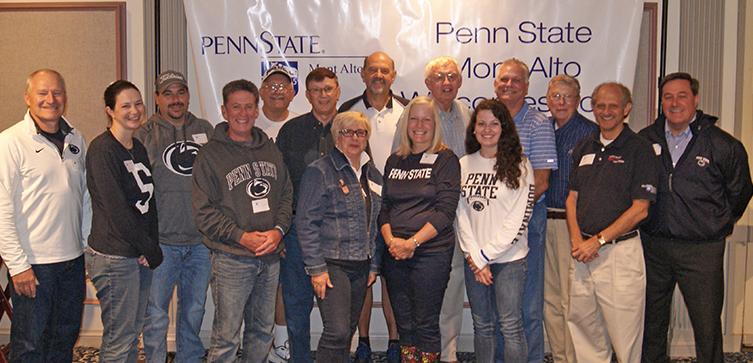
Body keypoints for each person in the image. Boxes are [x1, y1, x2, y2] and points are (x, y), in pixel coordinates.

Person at [638, 72, 752, 363]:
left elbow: (740, 191)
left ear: (696, 99)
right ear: (661, 102)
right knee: (651, 322)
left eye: (682, 95)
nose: (674, 103)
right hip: (653, 246)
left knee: (706, 326)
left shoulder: (722, 144)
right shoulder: (643, 140)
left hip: (702, 250)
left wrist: (717, 224)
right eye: (668, 97)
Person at [191, 79, 293, 363]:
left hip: (269, 256)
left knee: (261, 330)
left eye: (249, 106)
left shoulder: (269, 148)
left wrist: (278, 231)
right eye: (236, 107)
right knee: (226, 336)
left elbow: (286, 194)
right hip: (231, 259)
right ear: (224, 111)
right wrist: (241, 236)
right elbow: (205, 213)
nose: (243, 113)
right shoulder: (209, 155)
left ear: (257, 109)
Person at [0, 69, 89, 363]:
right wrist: (17, 266)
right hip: (33, 266)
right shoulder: (10, 142)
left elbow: (83, 198)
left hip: (72, 263)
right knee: (29, 347)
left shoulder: (77, 138)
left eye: (57, 92)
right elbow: (2, 209)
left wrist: (86, 248)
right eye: (42, 92)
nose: (50, 99)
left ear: (65, 97)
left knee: (64, 340)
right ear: (28, 97)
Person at [565, 82, 658, 363]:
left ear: (626, 109)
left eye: (613, 106)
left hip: (619, 253)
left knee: (625, 337)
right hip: (583, 253)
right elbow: (571, 199)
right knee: (585, 332)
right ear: (592, 108)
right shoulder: (585, 144)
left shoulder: (640, 149)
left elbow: (640, 209)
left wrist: (599, 240)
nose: (605, 111)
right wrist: (577, 242)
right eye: (600, 105)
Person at [389, 56, 470, 363]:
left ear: (460, 82)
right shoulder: (414, 115)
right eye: (438, 77)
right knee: (415, 306)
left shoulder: (468, 114)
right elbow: (400, 163)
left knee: (450, 293)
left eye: (451, 76)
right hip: (421, 224)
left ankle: (446, 353)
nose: (446, 82)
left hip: (461, 215)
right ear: (427, 83)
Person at [136, 70, 214, 363]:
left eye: (180, 92)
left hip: (200, 243)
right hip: (161, 244)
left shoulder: (206, 130)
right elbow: (135, 194)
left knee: (194, 310)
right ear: (156, 99)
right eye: (167, 93)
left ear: (188, 96)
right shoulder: (143, 135)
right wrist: (144, 242)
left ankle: (189, 359)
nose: (175, 99)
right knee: (155, 312)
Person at [86, 80, 163, 363]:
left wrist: (149, 245)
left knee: (131, 334)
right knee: (119, 339)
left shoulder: (137, 147)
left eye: (138, 103)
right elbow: (117, 211)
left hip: (136, 253)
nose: (134, 111)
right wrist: (148, 247)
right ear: (110, 110)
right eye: (126, 106)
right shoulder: (102, 150)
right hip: (114, 257)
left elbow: (149, 202)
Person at [297, 111, 383, 363]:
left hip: (361, 265)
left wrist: (374, 265)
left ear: (366, 138)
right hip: (331, 265)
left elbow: (376, 224)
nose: (354, 137)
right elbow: (305, 222)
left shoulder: (373, 175)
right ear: (336, 138)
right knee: (337, 332)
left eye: (360, 132)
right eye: (347, 132)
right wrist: (316, 269)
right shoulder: (320, 171)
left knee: (348, 332)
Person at [380, 96, 461, 363]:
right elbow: (385, 208)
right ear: (406, 124)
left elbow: (445, 212)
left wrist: (411, 243)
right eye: (414, 118)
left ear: (435, 123)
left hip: (430, 253)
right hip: (394, 253)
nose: (420, 124)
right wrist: (392, 241)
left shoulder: (446, 159)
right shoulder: (395, 160)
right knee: (404, 323)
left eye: (427, 119)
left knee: (425, 322)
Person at [339, 51, 407, 363]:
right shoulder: (348, 109)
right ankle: (363, 341)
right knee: (364, 275)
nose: (378, 75)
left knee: (392, 277)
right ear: (363, 74)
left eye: (385, 70)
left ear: (393, 76)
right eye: (372, 70)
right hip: (359, 208)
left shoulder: (407, 111)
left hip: (398, 208)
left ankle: (395, 342)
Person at [456, 99, 535, 363]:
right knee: (482, 326)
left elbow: (518, 220)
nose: (487, 129)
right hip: (474, 259)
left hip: (509, 261)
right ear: (473, 129)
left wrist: (484, 256)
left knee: (510, 327)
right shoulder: (463, 164)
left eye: (494, 123)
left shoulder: (521, 165)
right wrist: (475, 256)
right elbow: (461, 214)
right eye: (481, 123)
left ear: (505, 128)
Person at [494, 58, 557, 363]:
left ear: (527, 87)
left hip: (528, 224)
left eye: (515, 80)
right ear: (495, 85)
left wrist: (513, 220)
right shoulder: (488, 120)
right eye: (504, 80)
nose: (509, 85)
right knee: (497, 304)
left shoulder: (538, 123)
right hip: (490, 226)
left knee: (528, 304)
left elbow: (542, 182)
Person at [276, 67, 340, 363]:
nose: (323, 95)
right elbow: (280, 184)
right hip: (298, 235)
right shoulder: (291, 130)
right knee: (297, 307)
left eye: (328, 89)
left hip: (339, 235)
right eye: (317, 90)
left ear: (337, 91)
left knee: (338, 314)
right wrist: (282, 229)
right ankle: (299, 359)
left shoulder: (350, 127)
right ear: (307, 94)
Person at [543, 74, 598, 363]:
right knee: (550, 300)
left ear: (578, 100)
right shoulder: (543, 129)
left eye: (567, 97)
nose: (561, 103)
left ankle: (576, 359)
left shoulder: (591, 134)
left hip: (572, 225)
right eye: (555, 97)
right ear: (547, 99)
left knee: (571, 299)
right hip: (542, 222)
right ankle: (561, 357)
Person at [258, 64, 299, 363]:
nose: (277, 90)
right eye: (271, 85)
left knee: (283, 286)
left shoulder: (299, 126)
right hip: (249, 223)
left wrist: (283, 226)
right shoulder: (247, 122)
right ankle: (254, 345)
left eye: (283, 86)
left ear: (293, 92)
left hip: (285, 223)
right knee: (249, 288)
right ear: (261, 92)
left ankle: (281, 346)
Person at [257, 64, 299, 141]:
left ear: (292, 94)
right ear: (261, 93)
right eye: (272, 87)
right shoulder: (249, 123)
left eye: (283, 87)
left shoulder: (301, 125)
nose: (278, 92)